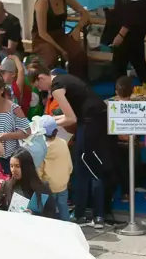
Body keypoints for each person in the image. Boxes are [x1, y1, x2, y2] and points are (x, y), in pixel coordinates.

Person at [29, 64, 113, 228]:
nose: (41, 89)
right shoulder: (62, 78)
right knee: (92, 167)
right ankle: (96, 214)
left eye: (39, 86)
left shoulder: (56, 88)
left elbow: (70, 118)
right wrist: (49, 122)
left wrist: (45, 124)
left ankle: (85, 214)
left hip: (90, 123)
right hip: (95, 120)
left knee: (85, 168)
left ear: (41, 78)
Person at [31, 0, 90, 80]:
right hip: (42, 38)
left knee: (79, 53)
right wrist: (61, 50)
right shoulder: (42, 1)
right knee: (51, 57)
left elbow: (85, 13)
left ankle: (77, 83)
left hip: (59, 34)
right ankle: (47, 86)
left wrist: (77, 28)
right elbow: (42, 32)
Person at [110, 0, 146, 83]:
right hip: (133, 31)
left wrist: (121, 34)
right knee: (138, 64)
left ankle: (123, 93)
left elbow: (134, 11)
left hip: (131, 32)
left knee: (121, 67)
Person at [0, 74, 31, 173]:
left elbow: (27, 131)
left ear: (1, 90)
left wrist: (8, 135)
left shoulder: (14, 108)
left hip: (10, 159)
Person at [39, 115, 73, 221]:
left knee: (49, 212)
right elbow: (69, 165)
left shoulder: (42, 148)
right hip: (63, 183)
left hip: (48, 186)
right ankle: (68, 228)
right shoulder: (63, 142)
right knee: (63, 208)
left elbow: (39, 169)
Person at [113, 76, 134, 202]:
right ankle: (127, 193)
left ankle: (113, 193)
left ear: (116, 92)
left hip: (117, 143)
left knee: (117, 169)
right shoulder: (136, 107)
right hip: (131, 142)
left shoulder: (113, 108)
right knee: (129, 168)